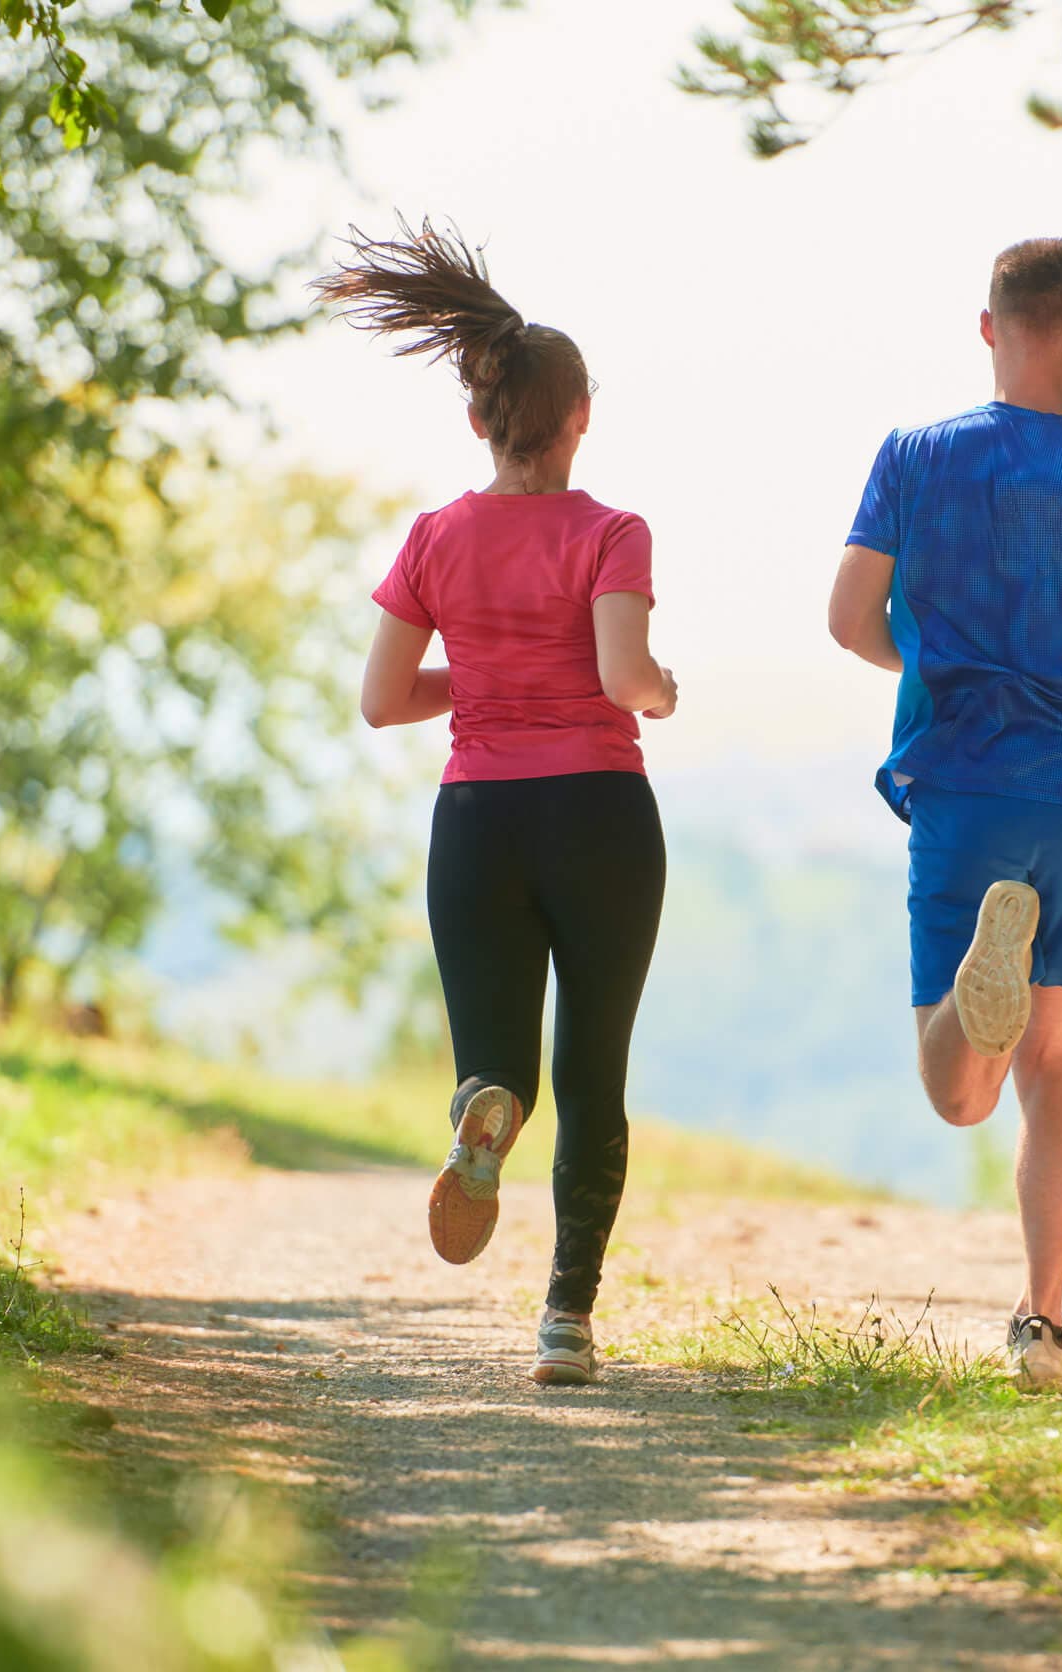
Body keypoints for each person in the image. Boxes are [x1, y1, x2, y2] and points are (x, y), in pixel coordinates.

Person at [827, 237, 1062, 1391]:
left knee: (960, 1093)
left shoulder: (914, 457)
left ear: (988, 328)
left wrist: (931, 668)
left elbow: (849, 618)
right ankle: (1044, 1329)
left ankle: (972, 991)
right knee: (1057, 1068)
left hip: (965, 781)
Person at [316, 222, 677, 1387]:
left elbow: (380, 699)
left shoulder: (435, 537)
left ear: (478, 420)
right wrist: (660, 691)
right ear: (581, 419)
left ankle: (482, 1109)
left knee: (503, 1064)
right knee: (595, 1074)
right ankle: (566, 1319)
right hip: (601, 818)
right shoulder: (611, 532)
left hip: (478, 821)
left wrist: (485, 673)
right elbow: (625, 678)